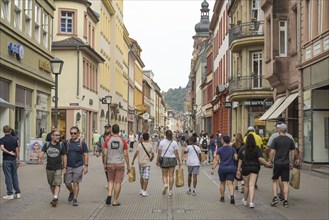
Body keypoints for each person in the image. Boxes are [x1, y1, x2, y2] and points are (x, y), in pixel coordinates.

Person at [236, 134, 271, 208]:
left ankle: (245, 200)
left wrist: (238, 170)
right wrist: (266, 163)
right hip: (255, 168)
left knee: (246, 185)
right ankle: (251, 202)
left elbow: (240, 160)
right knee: (252, 185)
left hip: (245, 168)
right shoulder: (256, 148)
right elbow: (260, 159)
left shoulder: (243, 148)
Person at [38, 130, 67, 207]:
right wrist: (39, 158)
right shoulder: (47, 145)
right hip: (49, 168)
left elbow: (64, 156)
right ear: (52, 136)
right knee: (51, 184)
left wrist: (64, 167)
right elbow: (42, 152)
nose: (58, 137)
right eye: (56, 135)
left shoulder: (61, 145)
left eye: (59, 135)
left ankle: (55, 197)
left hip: (58, 167)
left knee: (57, 183)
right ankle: (55, 196)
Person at [269, 123, 295, 208]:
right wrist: (291, 163)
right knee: (285, 182)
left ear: (279, 130)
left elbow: (272, 152)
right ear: (286, 130)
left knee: (275, 180)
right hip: (286, 163)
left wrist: (270, 161)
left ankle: (275, 197)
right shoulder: (290, 140)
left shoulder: (276, 139)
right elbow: (293, 152)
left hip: (277, 163)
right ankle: (286, 201)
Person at [103, 124, 130, 206]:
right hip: (119, 164)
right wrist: (128, 165)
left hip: (110, 163)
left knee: (110, 180)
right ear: (119, 131)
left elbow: (105, 153)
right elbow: (125, 154)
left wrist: (105, 164)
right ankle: (115, 201)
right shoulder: (123, 141)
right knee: (118, 182)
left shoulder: (107, 140)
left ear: (112, 130)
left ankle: (109, 194)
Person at [64, 126, 89, 206]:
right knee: (67, 183)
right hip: (68, 166)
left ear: (78, 133)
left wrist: (86, 166)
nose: (73, 135)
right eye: (71, 133)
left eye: (75, 133)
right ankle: (71, 191)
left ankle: (75, 199)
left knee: (76, 182)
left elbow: (85, 154)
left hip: (78, 166)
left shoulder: (82, 143)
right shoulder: (67, 143)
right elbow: (64, 155)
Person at [211, 135, 237, 204]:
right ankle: (232, 196)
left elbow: (217, 160)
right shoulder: (232, 149)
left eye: (222, 139)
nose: (221, 140)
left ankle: (222, 197)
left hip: (222, 168)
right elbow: (236, 158)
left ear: (223, 141)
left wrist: (213, 168)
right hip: (231, 168)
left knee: (222, 183)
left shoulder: (219, 149)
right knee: (230, 183)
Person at [156, 130, 181, 197]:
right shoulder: (174, 143)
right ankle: (170, 191)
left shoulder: (161, 142)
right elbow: (176, 153)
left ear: (165, 135)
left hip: (164, 159)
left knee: (164, 175)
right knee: (171, 176)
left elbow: (159, 153)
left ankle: (165, 185)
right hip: (172, 159)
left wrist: (157, 160)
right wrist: (179, 161)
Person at [0, 125, 21, 200]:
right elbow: (17, 150)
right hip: (14, 159)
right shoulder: (15, 139)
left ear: (3, 131)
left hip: (6, 160)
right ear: (10, 131)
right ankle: (18, 192)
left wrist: (9, 152)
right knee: (15, 176)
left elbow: (2, 148)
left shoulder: (2, 139)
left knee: (8, 176)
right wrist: (19, 160)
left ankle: (10, 193)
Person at [131, 132, 154, 197]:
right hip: (147, 163)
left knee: (141, 177)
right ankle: (144, 191)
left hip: (140, 163)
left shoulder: (139, 145)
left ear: (143, 138)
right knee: (146, 177)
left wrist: (133, 160)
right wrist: (151, 159)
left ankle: (141, 189)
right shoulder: (150, 145)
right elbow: (153, 155)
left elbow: (136, 153)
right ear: (148, 138)